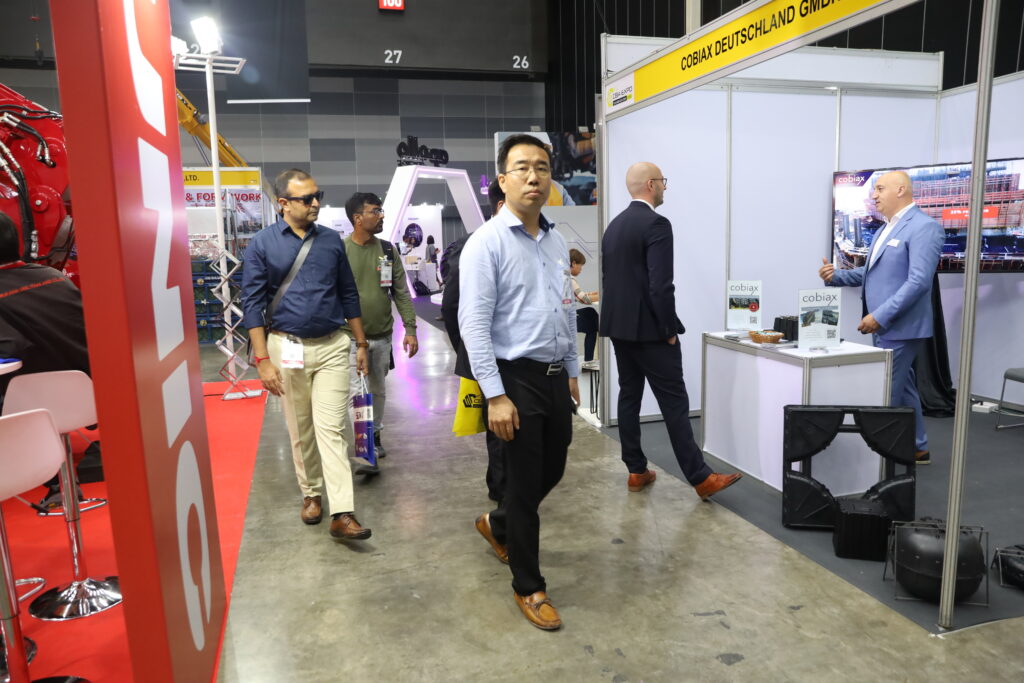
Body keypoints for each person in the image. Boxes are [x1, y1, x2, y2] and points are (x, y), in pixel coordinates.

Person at [460, 134, 580, 631]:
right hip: (514, 378)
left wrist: (572, 369)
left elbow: (565, 306)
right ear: (503, 179)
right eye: (523, 168)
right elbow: (473, 325)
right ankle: (529, 586)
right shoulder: (486, 243)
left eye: (543, 168)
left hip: (553, 376)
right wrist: (495, 395)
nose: (534, 177)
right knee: (526, 484)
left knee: (554, 467)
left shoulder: (555, 239)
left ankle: (498, 523)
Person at [241, 169, 373, 541]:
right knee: (300, 428)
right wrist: (262, 359)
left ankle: (342, 511)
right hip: (287, 347)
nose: (316, 203)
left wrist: (361, 344)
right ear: (283, 203)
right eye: (306, 198)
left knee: (332, 429)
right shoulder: (262, 244)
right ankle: (311, 493)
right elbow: (252, 304)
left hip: (332, 346)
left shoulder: (331, 241)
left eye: (318, 196)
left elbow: (348, 293)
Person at [600, 162, 742, 499]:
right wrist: (668, 330)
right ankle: (701, 477)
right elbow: (661, 285)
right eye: (663, 181)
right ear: (651, 184)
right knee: (675, 403)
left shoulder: (614, 227)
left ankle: (636, 470)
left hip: (619, 328)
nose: (665, 187)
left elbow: (613, 281)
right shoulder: (657, 224)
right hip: (652, 331)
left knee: (629, 395)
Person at [818, 170, 942, 464]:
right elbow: (871, 273)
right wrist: (836, 277)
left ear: (901, 190)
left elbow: (918, 282)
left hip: (900, 326)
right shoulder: (885, 228)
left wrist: (880, 316)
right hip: (885, 326)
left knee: (885, 391)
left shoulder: (924, 227)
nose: (874, 195)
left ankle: (875, 459)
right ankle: (918, 447)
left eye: (880, 188)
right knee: (904, 388)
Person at [0, 210, 92, 503]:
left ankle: (55, 481)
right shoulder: (53, 277)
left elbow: (9, 350)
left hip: (34, 406)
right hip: (90, 392)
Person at [339, 192, 418, 476]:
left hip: (383, 335)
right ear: (358, 218)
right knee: (357, 392)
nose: (381, 215)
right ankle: (365, 448)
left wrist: (410, 328)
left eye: (381, 210)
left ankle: (375, 435)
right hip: (349, 337)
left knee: (378, 390)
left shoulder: (387, 250)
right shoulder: (340, 251)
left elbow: (401, 292)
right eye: (375, 211)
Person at [440, 179, 505, 502]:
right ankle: (502, 492)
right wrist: (470, 352)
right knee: (499, 426)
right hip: (492, 357)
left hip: (532, 361)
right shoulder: (472, 245)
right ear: (502, 204)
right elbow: (452, 307)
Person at [568, 248, 599, 366]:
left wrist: (595, 294)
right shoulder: (569, 279)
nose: (581, 269)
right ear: (573, 263)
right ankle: (589, 360)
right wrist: (603, 295)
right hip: (565, 319)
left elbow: (579, 295)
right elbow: (584, 299)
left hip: (563, 315)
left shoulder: (565, 276)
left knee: (590, 313)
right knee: (592, 321)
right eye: (580, 266)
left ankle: (588, 359)